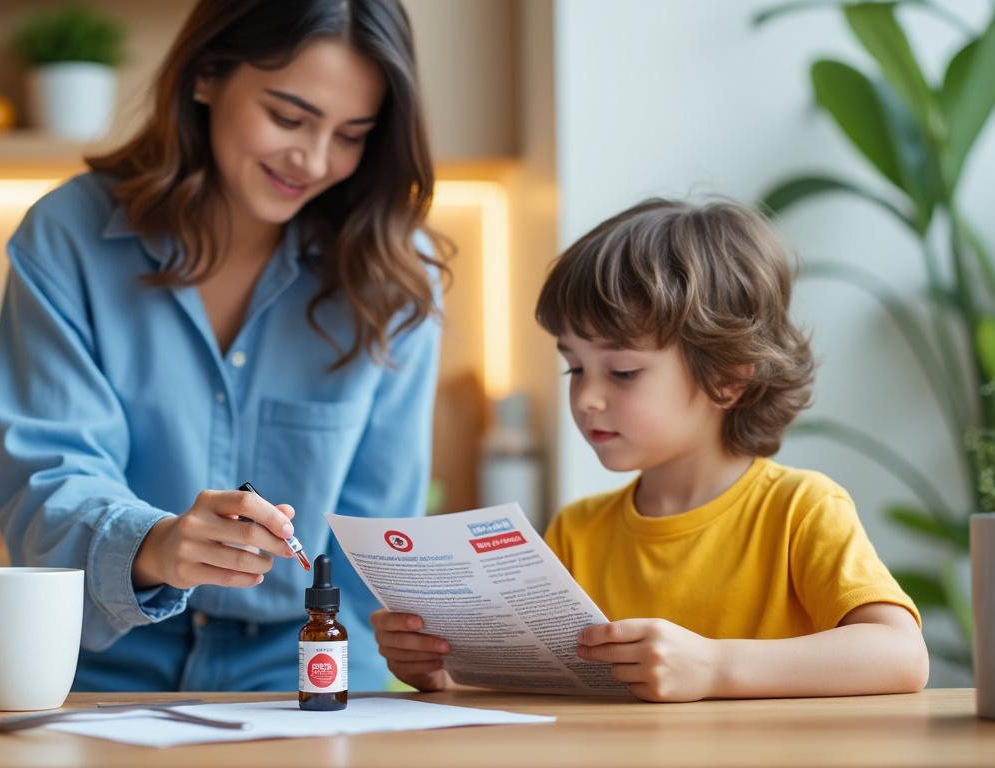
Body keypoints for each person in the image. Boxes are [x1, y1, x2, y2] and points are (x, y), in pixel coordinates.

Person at [0, 0, 449, 692]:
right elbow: (46, 481)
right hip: (98, 667)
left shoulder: (393, 276)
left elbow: (376, 537)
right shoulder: (68, 237)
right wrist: (156, 545)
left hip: (304, 674)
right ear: (206, 75)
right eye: (288, 117)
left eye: (351, 134)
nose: (314, 159)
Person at [372, 198, 929, 702]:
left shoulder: (800, 510)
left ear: (728, 379)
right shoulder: (578, 533)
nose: (587, 398)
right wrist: (439, 669)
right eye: (575, 367)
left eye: (623, 371)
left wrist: (713, 666)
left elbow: (901, 656)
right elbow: (536, 687)